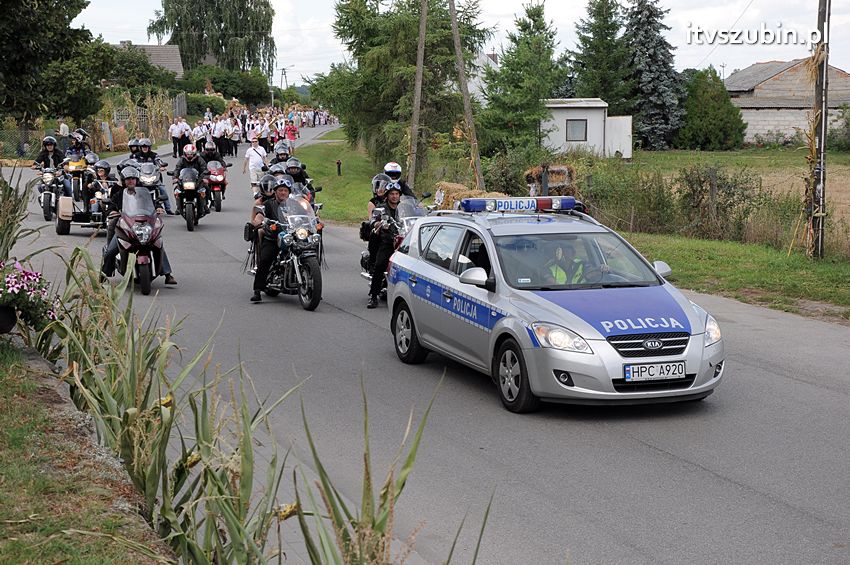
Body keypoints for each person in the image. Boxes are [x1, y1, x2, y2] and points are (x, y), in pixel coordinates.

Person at [100, 166, 177, 285]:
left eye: (133, 178)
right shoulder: (119, 193)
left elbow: (153, 203)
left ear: (137, 180)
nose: (131, 181)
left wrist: (158, 207)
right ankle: (104, 274)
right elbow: (110, 205)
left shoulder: (143, 192)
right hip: (127, 226)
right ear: (124, 180)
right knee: (110, 251)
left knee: (158, 244)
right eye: (128, 179)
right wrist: (111, 211)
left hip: (144, 225)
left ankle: (168, 274)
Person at [249, 177, 293, 302]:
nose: (283, 193)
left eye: (285, 190)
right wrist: (257, 221)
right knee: (265, 258)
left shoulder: (294, 204)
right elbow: (260, 214)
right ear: (275, 192)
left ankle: (313, 285)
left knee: (309, 250)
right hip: (273, 237)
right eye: (280, 190)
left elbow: (305, 214)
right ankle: (257, 290)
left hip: (292, 236)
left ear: (289, 192)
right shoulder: (269, 204)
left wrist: (315, 220)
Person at [367, 182, 403, 308]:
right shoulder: (381, 209)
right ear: (387, 195)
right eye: (392, 194)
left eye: (396, 194)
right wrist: (376, 223)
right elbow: (372, 220)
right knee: (380, 264)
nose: (394, 196)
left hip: (404, 242)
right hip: (388, 242)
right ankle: (373, 296)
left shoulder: (403, 209)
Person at [136, 138, 175, 214]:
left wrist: (161, 166)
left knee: (162, 189)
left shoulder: (154, 155)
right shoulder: (136, 156)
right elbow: (132, 163)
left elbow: (159, 161)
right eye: (143, 147)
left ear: (149, 147)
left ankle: (168, 208)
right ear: (140, 147)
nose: (145, 148)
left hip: (154, 177)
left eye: (146, 147)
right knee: (134, 189)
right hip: (141, 177)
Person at [171, 144, 209, 212]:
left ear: (194, 153)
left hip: (197, 180)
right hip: (184, 181)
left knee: (206, 188)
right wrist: (175, 177)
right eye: (188, 154)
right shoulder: (182, 160)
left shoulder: (199, 159)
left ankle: (205, 205)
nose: (189, 155)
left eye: (191, 154)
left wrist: (205, 177)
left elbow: (204, 169)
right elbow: (177, 169)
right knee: (177, 190)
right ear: (185, 153)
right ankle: (179, 207)